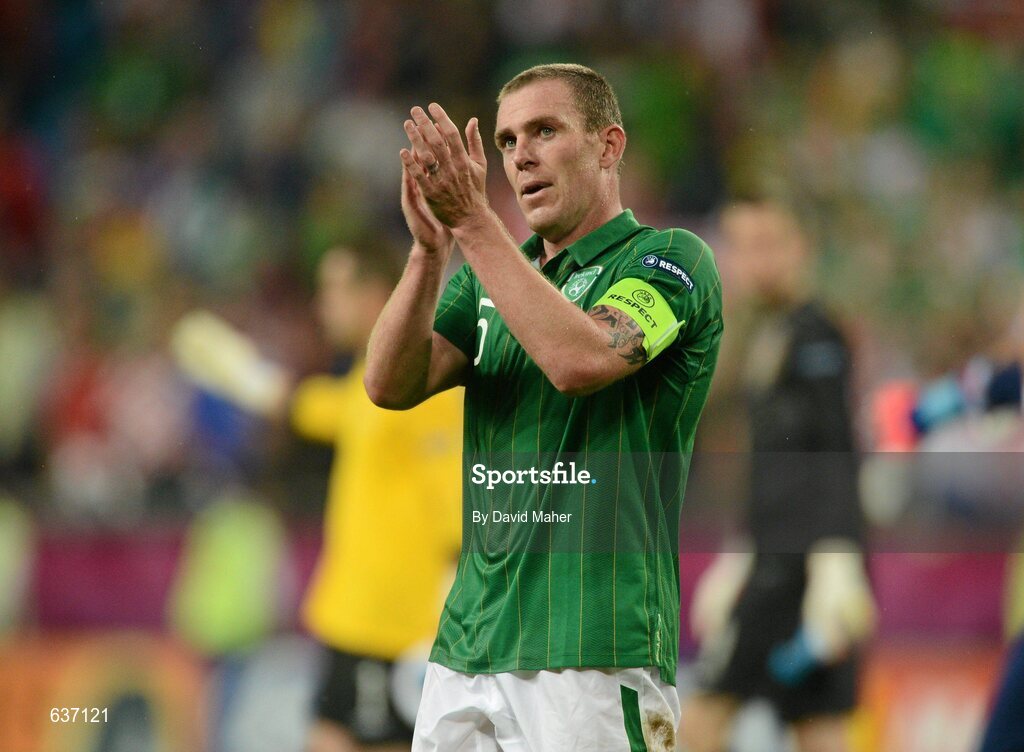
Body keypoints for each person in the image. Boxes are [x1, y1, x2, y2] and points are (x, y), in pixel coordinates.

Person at [363, 63, 723, 750]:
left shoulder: (668, 261)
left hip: (593, 647)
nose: (519, 154)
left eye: (545, 130)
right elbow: (389, 384)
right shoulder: (488, 277)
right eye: (505, 141)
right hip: (469, 644)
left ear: (607, 146)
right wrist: (429, 252)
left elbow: (581, 360)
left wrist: (473, 224)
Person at [171, 246, 463, 751]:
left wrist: (442, 616)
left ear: (375, 296)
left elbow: (457, 507)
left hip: (394, 627)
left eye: (334, 290)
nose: (322, 305)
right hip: (352, 621)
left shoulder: (425, 380)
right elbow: (326, 411)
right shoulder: (369, 378)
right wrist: (247, 377)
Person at [679, 198, 875, 752]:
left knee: (702, 722)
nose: (753, 261)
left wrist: (838, 554)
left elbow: (836, 449)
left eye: (767, 244)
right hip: (775, 558)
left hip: (797, 569)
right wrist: (742, 545)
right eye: (742, 246)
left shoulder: (816, 335)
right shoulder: (766, 334)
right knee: (816, 727)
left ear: (799, 250)